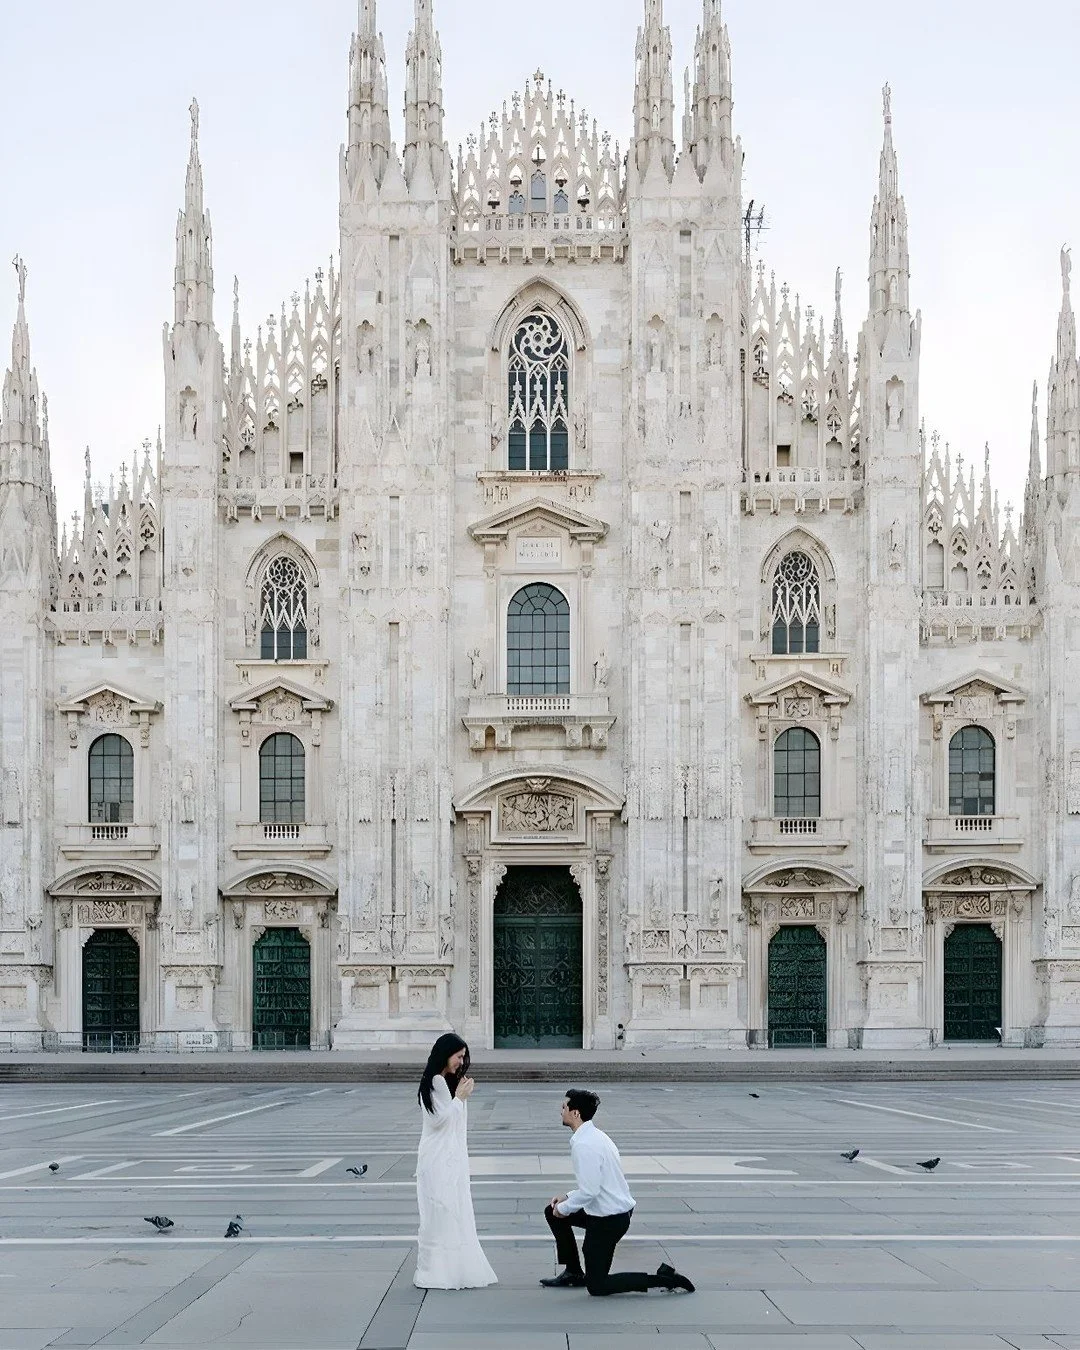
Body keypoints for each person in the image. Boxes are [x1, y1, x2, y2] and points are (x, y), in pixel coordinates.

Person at [542, 1089, 695, 1296]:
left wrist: (565, 1208)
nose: (561, 1111)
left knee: (598, 1286)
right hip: (609, 1211)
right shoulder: (596, 1136)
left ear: (575, 1113)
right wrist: (567, 1197)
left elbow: (590, 1191)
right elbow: (596, 1184)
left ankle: (665, 1278)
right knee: (552, 1211)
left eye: (564, 1107)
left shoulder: (585, 1145)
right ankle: (573, 1272)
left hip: (609, 1220)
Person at [414, 1032, 497, 1290]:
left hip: (445, 1155)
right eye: (458, 1056)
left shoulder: (442, 1081)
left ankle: (446, 1269)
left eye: (463, 1057)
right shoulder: (435, 1081)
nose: (461, 1062)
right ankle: (443, 1271)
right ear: (446, 1054)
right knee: (443, 1208)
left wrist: (459, 1096)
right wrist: (460, 1098)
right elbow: (439, 1120)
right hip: (440, 1158)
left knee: (445, 1209)